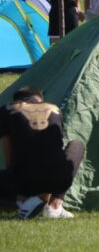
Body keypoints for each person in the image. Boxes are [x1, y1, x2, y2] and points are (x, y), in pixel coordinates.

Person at [0, 87, 85, 219]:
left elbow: (8, 155)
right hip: (59, 181)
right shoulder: (55, 109)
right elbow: (51, 151)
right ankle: (55, 204)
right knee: (77, 145)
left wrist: (17, 187)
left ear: (17, 100)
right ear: (39, 98)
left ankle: (27, 201)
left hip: (25, 182)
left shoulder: (6, 109)